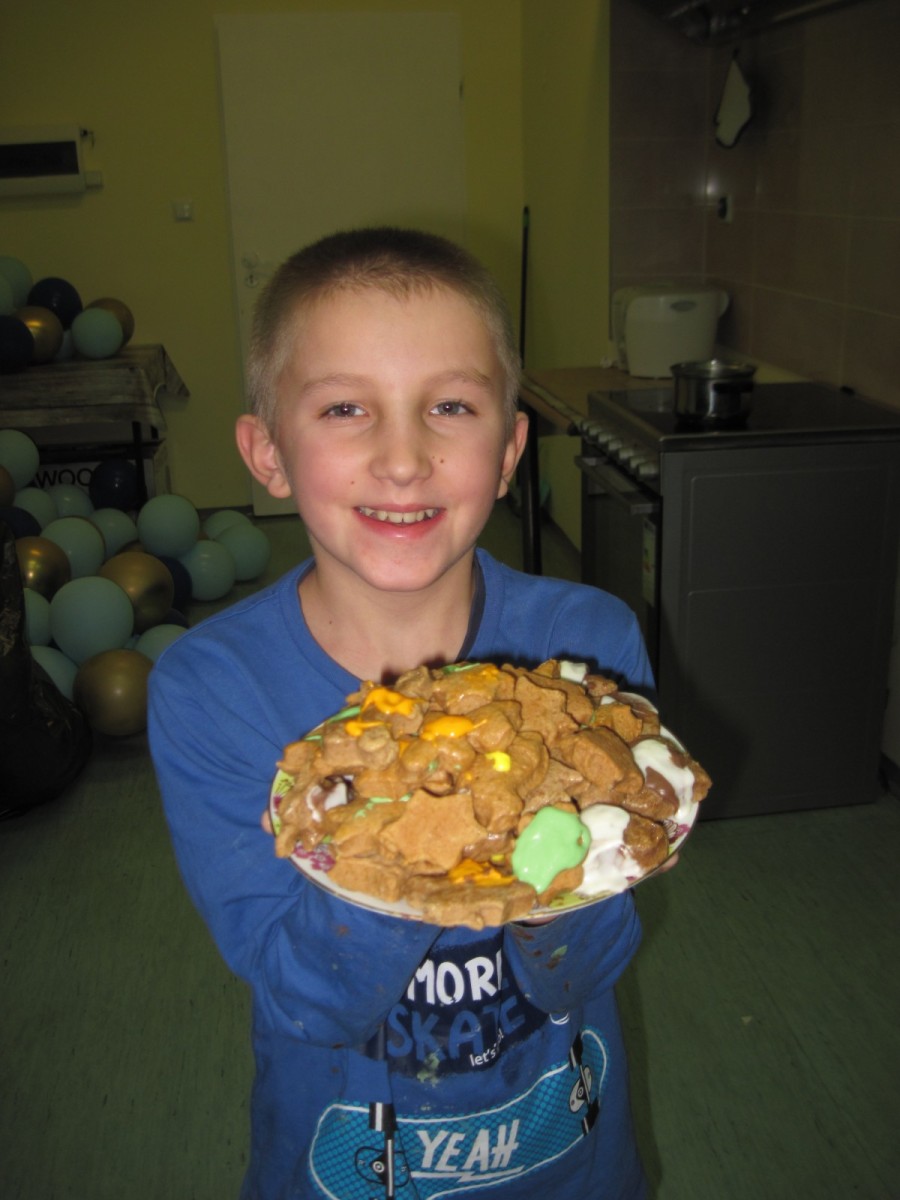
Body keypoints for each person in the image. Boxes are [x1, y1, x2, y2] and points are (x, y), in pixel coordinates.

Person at [148, 227, 655, 1200]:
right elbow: (305, 995)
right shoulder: (213, 690)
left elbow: (592, 958)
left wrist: (542, 841)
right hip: (343, 1163)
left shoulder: (585, 653)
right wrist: (405, 815)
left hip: (568, 1152)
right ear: (268, 454)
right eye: (346, 408)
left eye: (450, 406)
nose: (404, 458)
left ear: (509, 452)